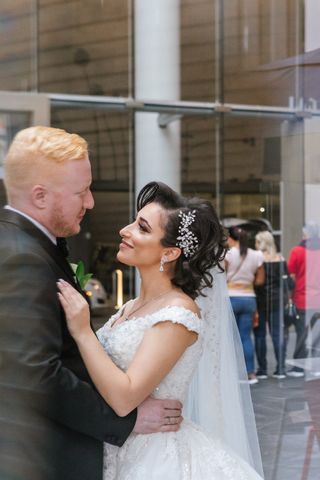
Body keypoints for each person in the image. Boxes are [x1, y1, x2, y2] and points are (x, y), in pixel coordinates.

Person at [0, 127, 181, 480]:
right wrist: (124, 420)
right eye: (81, 192)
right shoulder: (22, 257)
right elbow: (36, 374)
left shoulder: (24, 243)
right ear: (40, 196)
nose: (91, 202)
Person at [57, 181, 264, 479]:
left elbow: (125, 396)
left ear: (169, 253)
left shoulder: (178, 314)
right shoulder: (131, 306)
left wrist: (83, 331)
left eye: (141, 228)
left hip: (155, 457)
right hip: (116, 444)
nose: (124, 231)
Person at [286, 222, 320, 377]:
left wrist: (290, 296)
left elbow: (291, 276)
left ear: (305, 234)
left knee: (302, 333)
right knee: (318, 332)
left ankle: (299, 367)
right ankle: (317, 366)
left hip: (301, 298)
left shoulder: (297, 251)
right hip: (319, 299)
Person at [225, 227, 265, 384]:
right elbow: (260, 280)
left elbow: (221, 275)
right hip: (249, 298)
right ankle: (250, 373)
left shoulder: (228, 254)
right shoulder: (257, 255)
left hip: (230, 297)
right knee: (245, 337)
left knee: (230, 338)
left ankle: (233, 373)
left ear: (231, 238)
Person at [254, 230, 292, 379]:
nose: (255, 244)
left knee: (260, 335)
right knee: (277, 335)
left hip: (260, 301)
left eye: (257, 241)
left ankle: (262, 369)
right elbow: (288, 283)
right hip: (277, 302)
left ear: (261, 242)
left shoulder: (257, 259)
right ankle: (281, 368)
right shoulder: (280, 259)